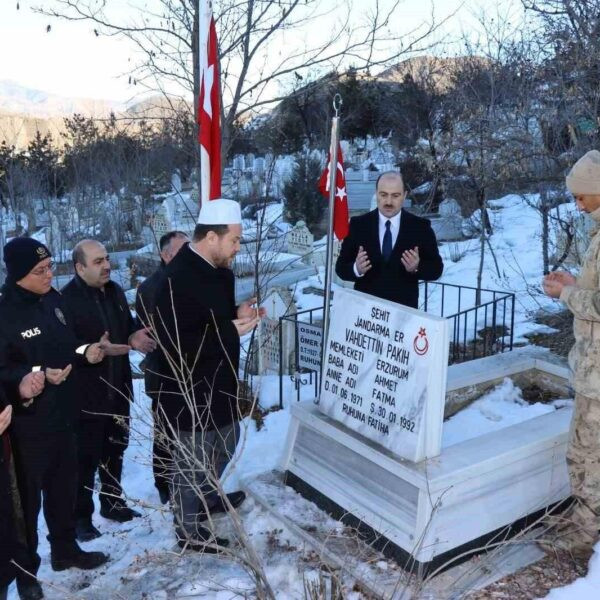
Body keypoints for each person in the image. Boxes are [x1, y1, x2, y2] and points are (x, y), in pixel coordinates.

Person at [0, 238, 109, 600]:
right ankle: (26, 572)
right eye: (39, 271)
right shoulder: (5, 313)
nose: (49, 275)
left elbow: (70, 344)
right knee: (27, 507)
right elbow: (4, 370)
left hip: (65, 415)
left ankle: (65, 550)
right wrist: (28, 380)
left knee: (64, 490)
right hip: (27, 429)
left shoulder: (54, 300)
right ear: (17, 275)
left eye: (50, 267)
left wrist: (86, 352)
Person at [154, 199, 263, 551]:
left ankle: (206, 495)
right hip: (189, 388)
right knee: (191, 462)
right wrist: (231, 330)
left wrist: (237, 312)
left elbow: (212, 318)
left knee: (226, 443)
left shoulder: (222, 272)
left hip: (222, 382)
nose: (236, 250)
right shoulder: (174, 280)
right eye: (233, 241)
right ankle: (187, 531)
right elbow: (177, 341)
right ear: (212, 238)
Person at [61, 240, 156, 542]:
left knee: (115, 450)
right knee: (85, 460)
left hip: (119, 390)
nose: (106, 266)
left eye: (107, 259)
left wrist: (134, 336)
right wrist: (88, 349)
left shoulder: (114, 291)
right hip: (86, 397)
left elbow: (125, 328)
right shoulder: (66, 301)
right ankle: (80, 519)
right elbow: (61, 349)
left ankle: (112, 504)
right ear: (79, 267)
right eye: (98, 261)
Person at [542, 149, 600, 557]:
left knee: (588, 458)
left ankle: (583, 539)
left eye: (582, 196)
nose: (576, 203)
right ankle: (582, 524)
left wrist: (567, 293)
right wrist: (574, 282)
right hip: (591, 367)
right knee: (583, 452)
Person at [336, 171, 443, 308]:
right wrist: (356, 268)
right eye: (383, 195)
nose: (388, 202)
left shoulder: (420, 227)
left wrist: (417, 267)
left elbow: (436, 269)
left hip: (403, 316)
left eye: (395, 196)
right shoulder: (358, 225)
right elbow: (340, 268)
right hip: (365, 316)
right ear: (376, 193)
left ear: (404, 195)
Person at [135, 230, 189, 504]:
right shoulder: (149, 288)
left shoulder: (195, 278)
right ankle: (165, 483)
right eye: (181, 250)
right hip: (164, 373)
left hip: (193, 372)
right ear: (165, 255)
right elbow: (159, 331)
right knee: (166, 435)